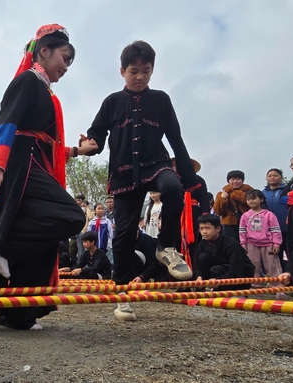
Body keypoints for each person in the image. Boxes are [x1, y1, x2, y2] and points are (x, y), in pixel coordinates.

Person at [0, 24, 93, 330]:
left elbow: (50, 143)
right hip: (22, 162)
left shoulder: (45, 91)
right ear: (44, 51)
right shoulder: (27, 81)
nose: (66, 66)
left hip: (38, 161)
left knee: (43, 239)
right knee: (71, 216)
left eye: (70, 61)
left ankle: (18, 314)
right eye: (64, 57)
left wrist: (80, 152)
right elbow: (7, 120)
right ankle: (2, 248)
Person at [84, 40, 199, 320]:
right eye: (134, 71)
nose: (140, 77)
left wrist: (191, 179)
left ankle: (167, 247)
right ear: (122, 71)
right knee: (123, 234)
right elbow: (97, 133)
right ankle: (122, 293)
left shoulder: (161, 100)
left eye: (146, 71)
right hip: (123, 172)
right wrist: (89, 145)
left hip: (155, 164)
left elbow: (175, 137)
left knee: (173, 187)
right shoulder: (112, 102)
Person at [239, 190, 284, 296]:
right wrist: (243, 243)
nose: (251, 201)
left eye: (253, 198)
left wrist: (276, 243)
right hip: (251, 244)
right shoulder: (245, 216)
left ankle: (278, 288)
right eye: (248, 199)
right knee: (253, 266)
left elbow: (275, 230)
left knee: (272, 266)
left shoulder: (269, 215)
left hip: (268, 245)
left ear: (261, 199)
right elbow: (242, 230)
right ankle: (255, 287)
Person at [194, 214, 254, 290]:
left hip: (240, 275)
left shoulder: (231, 243)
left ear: (218, 228)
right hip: (217, 274)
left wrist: (219, 281)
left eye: (207, 228)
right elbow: (197, 264)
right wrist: (199, 277)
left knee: (216, 270)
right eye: (201, 229)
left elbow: (237, 268)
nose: (204, 232)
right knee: (203, 257)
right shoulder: (202, 244)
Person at [214, 170, 253, 243]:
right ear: (228, 181)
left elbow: (252, 203)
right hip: (230, 224)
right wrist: (223, 199)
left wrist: (233, 194)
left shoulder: (250, 191)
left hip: (248, 222)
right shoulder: (222, 194)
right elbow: (218, 212)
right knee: (232, 245)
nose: (235, 181)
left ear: (242, 180)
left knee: (249, 244)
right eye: (232, 179)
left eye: (238, 179)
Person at [263, 168, 289, 271]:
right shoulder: (262, 193)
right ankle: (277, 277)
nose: (272, 177)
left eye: (275, 175)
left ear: (281, 177)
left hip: (286, 226)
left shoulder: (287, 191)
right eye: (270, 176)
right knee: (274, 254)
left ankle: (291, 277)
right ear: (266, 178)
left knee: (289, 252)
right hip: (269, 230)